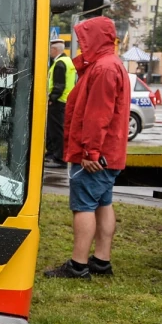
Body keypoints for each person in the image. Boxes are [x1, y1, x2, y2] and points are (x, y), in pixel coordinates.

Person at [44, 16, 130, 280]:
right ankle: (101, 261)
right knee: (103, 203)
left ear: (96, 38)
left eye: (83, 39)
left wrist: (90, 152)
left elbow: (97, 115)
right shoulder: (109, 64)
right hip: (109, 153)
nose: (81, 45)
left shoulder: (103, 68)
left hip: (95, 155)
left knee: (83, 206)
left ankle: (78, 265)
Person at [44, 39, 76, 168]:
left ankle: (59, 158)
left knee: (57, 130)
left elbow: (59, 85)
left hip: (58, 102)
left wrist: (52, 98)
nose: (49, 51)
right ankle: (52, 153)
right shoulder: (67, 61)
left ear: (55, 50)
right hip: (64, 101)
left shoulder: (59, 63)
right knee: (54, 130)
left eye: (50, 49)